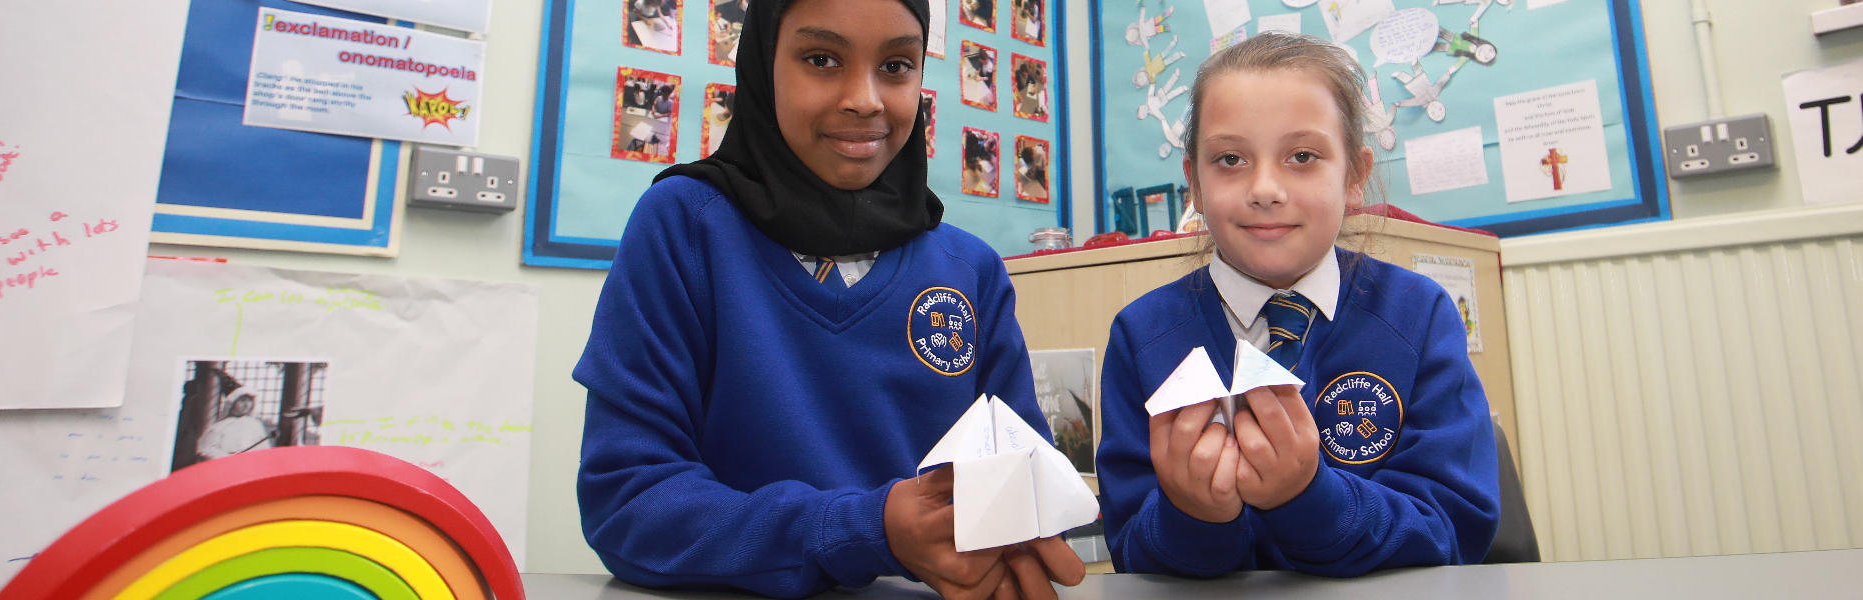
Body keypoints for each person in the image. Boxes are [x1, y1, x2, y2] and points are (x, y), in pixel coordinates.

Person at [574, 1, 1084, 599]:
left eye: (896, 65)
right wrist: (866, 529)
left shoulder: (970, 270)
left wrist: (1023, 537)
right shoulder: (685, 227)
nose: (865, 98)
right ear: (764, 64)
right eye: (821, 59)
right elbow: (628, 499)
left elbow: (1022, 490)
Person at [1095, 32, 1499, 578]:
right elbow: (1129, 547)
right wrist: (1193, 517)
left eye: (1302, 157)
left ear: (1354, 176)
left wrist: (1309, 499)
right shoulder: (1142, 335)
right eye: (1231, 159)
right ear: (1193, 182)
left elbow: (1452, 529)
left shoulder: (1419, 315)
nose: (1265, 188)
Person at [197, 393, 273, 461]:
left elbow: (264, 450)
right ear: (232, 403)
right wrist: (229, 458)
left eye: (249, 401)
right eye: (242, 401)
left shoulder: (256, 425)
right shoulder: (220, 426)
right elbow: (206, 449)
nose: (246, 405)